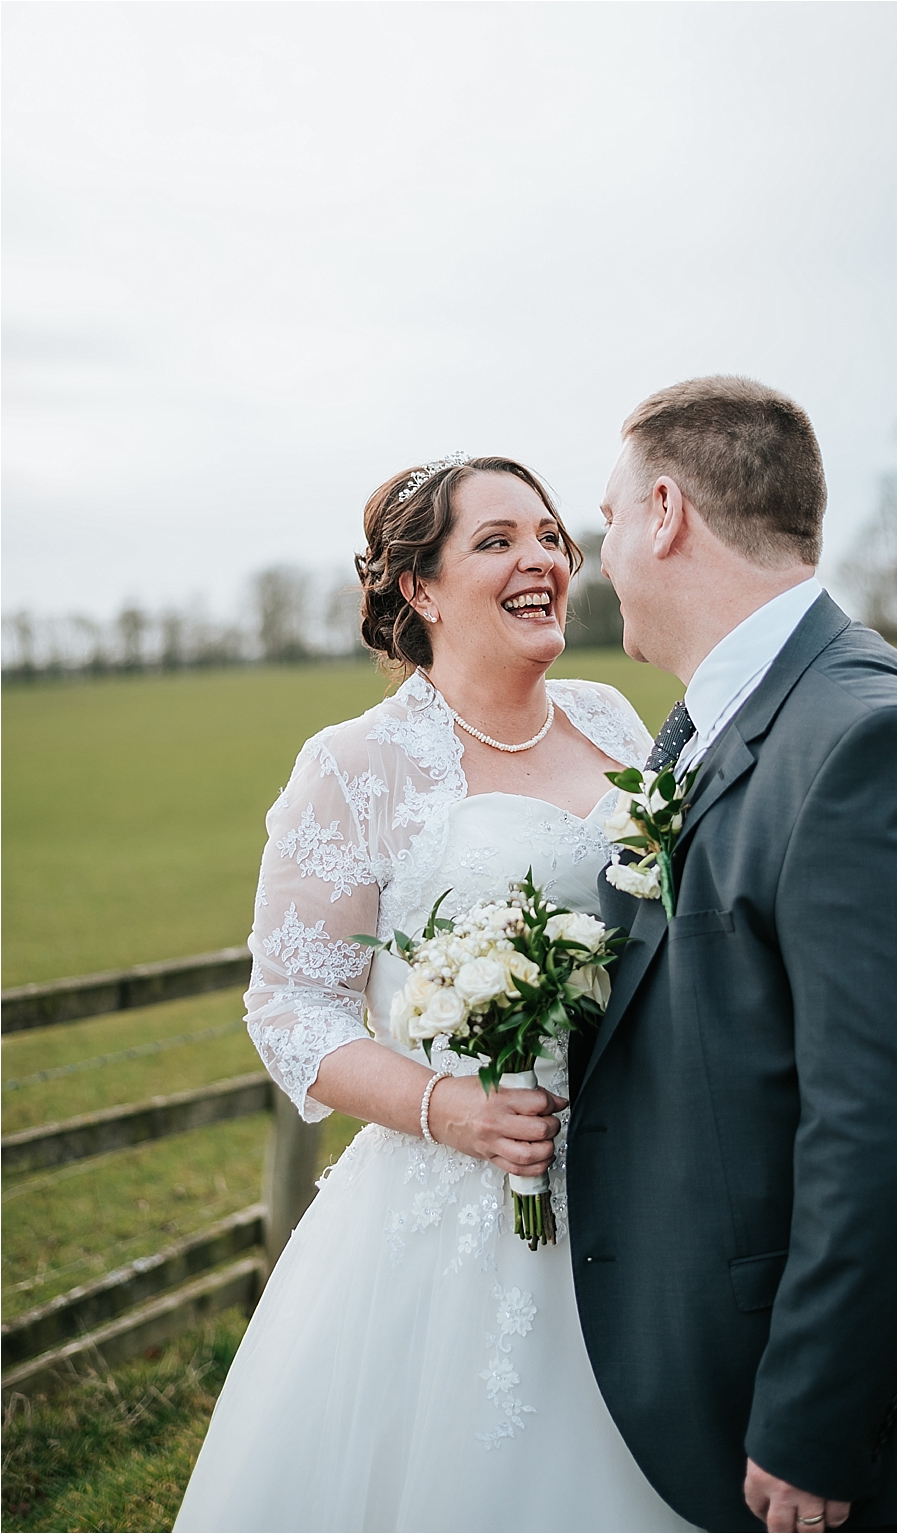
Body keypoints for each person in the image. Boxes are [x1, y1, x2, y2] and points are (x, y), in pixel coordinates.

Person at [176, 455, 690, 1532]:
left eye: (550, 535)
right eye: (497, 540)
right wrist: (449, 1108)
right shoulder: (357, 764)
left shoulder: (611, 720)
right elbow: (291, 1011)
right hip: (450, 1210)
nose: (542, 558)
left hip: (638, 1178)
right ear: (419, 589)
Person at [567, 377, 897, 1533]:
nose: (599, 553)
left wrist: (816, 1418)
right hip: (723, 1363)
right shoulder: (734, 717)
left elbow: (887, 1114)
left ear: (666, 511)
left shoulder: (865, 738)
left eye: (607, 519)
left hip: (835, 1437)